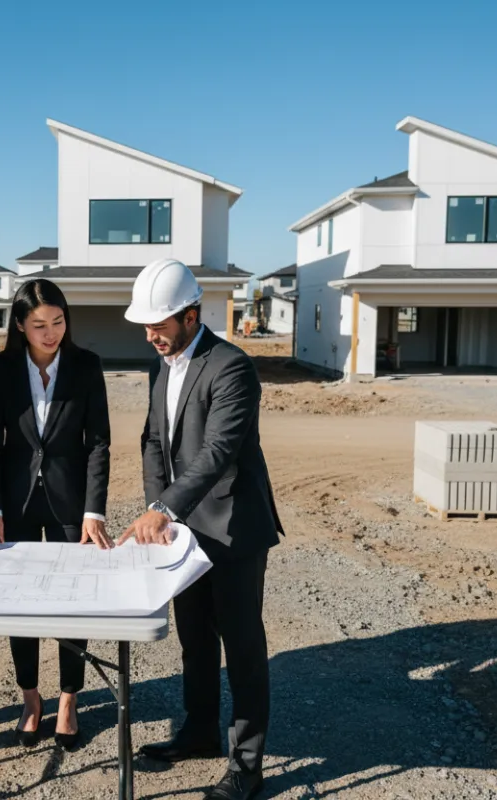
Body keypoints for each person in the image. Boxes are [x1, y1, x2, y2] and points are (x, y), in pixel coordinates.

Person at [119, 259, 283, 800]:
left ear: (191, 315)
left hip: (233, 530)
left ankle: (248, 765)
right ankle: (197, 733)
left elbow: (217, 452)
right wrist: (156, 505)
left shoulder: (231, 366)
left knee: (242, 646)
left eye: (160, 325)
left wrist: (163, 509)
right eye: (145, 327)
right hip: (185, 533)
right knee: (194, 640)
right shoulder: (161, 364)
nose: (151, 336)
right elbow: (152, 441)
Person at [0, 278, 112, 751]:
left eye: (58, 321)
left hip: (71, 503)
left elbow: (98, 443)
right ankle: (31, 699)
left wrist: (95, 510)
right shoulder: (2, 368)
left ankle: (70, 699)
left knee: (74, 602)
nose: (51, 332)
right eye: (39, 325)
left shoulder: (87, 365)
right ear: (20, 325)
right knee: (22, 603)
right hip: (14, 504)